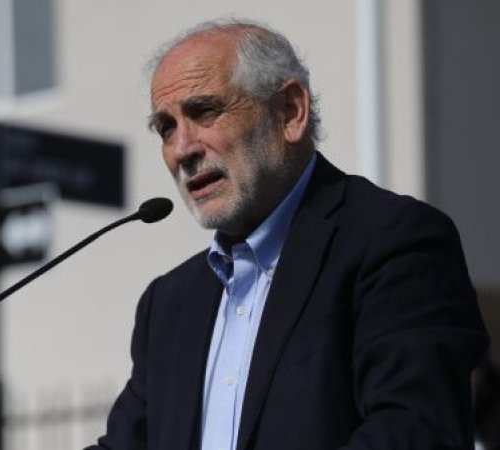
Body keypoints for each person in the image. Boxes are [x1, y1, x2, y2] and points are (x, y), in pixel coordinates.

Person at [85, 19, 488, 450]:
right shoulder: (168, 304)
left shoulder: (394, 241)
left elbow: (415, 431)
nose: (182, 149)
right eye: (166, 128)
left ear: (290, 112)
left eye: (204, 112)